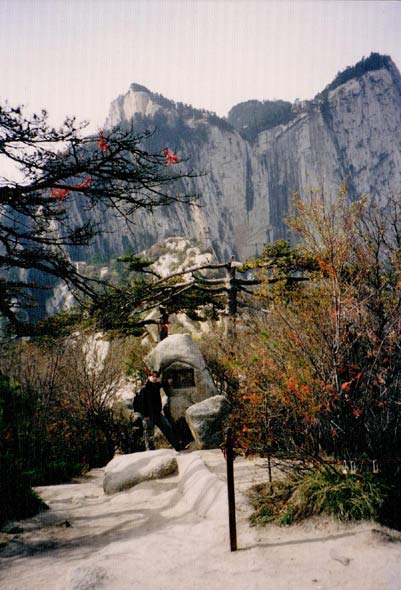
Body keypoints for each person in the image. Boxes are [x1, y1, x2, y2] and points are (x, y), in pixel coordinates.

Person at [142, 371, 180, 452]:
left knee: (167, 428)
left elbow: (163, 383)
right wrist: (145, 415)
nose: (155, 378)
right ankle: (150, 452)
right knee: (149, 435)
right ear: (150, 376)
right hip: (149, 415)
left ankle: (176, 447)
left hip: (158, 414)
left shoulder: (156, 385)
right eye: (153, 376)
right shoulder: (145, 387)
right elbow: (143, 402)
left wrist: (169, 380)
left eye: (156, 376)